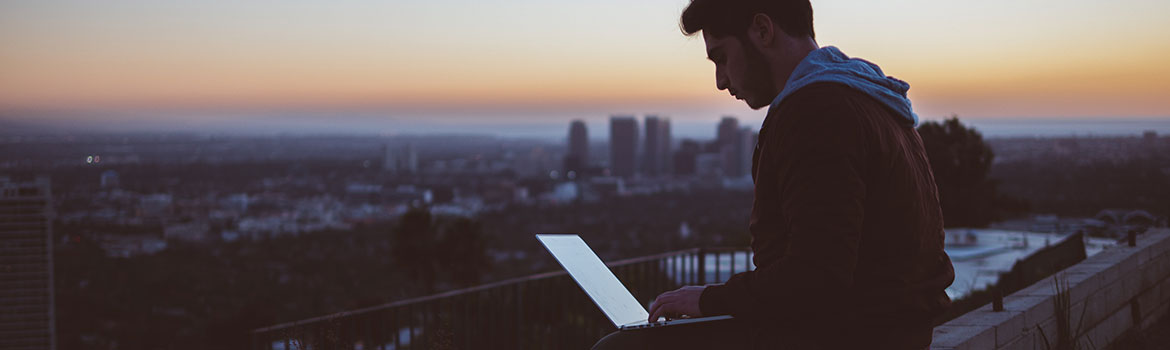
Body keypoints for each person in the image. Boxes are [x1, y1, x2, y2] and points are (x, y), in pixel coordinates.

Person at [592, 0, 955, 349]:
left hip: (842, 337)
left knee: (622, 347)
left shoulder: (816, 111)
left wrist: (709, 301)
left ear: (762, 30)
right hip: (890, 333)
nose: (720, 80)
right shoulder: (871, 99)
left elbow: (817, 277)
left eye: (721, 57)